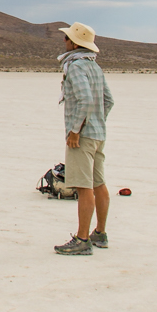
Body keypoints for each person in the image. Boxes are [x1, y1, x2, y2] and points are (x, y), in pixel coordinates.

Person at [54, 21, 115, 256]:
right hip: (98, 134)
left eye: (67, 38)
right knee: (99, 183)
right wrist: (98, 121)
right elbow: (107, 100)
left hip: (82, 136)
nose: (64, 41)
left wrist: (76, 130)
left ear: (74, 43)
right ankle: (100, 233)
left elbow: (86, 99)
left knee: (84, 186)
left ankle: (82, 239)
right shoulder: (94, 66)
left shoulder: (77, 66)